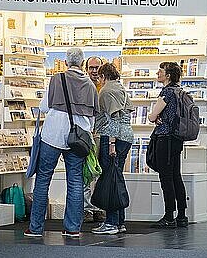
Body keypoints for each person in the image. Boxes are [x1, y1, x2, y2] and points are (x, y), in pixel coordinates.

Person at [25, 48, 99, 238]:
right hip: (78, 139)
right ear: (82, 64)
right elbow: (92, 117)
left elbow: (43, 106)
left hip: (53, 135)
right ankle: (72, 228)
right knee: (75, 182)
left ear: (66, 62)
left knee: (43, 180)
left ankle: (35, 228)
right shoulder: (90, 85)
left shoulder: (57, 79)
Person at [92, 63, 134, 235]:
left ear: (102, 76)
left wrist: (111, 144)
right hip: (126, 136)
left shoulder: (107, 91)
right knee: (115, 177)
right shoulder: (121, 89)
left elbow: (112, 120)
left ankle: (111, 222)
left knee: (109, 178)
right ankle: (119, 221)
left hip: (112, 138)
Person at [148, 61, 188, 228]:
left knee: (165, 177)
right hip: (176, 139)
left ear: (168, 75)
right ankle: (181, 216)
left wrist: (154, 116)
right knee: (176, 176)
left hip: (164, 138)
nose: (158, 73)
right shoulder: (180, 91)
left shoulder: (167, 92)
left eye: (161, 71)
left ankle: (168, 216)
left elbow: (152, 116)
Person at [83, 55, 105, 222]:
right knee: (86, 172)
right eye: (91, 67)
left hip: (101, 134)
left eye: (97, 67)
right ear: (86, 69)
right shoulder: (84, 85)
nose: (94, 71)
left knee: (99, 171)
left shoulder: (105, 86)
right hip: (86, 134)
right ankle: (86, 208)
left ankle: (97, 207)